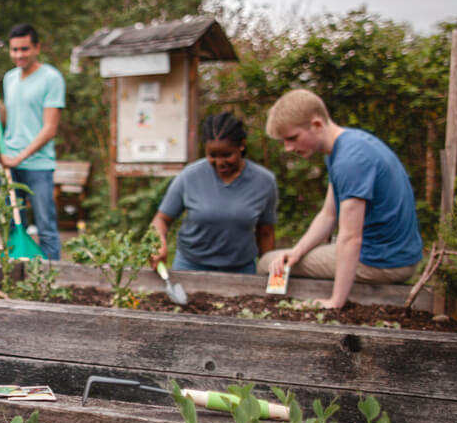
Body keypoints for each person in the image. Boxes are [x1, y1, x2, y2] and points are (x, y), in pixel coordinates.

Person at [257, 89, 422, 308]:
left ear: (316, 125)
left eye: (292, 138)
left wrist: (336, 301)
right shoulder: (346, 147)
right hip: (394, 255)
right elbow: (328, 214)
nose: (288, 148)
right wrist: (296, 252)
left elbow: (350, 237)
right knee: (284, 258)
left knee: (267, 263)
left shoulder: (349, 161)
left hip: (383, 261)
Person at [149, 112, 278, 273]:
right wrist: (158, 242)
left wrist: (272, 274)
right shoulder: (190, 176)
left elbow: (266, 233)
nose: (219, 162)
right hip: (190, 266)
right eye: (212, 155)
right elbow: (161, 219)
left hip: (241, 270)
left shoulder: (264, 181)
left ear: (242, 145)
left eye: (227, 155)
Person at [0, 23, 65, 260]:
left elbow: (50, 128)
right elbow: (7, 119)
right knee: (13, 225)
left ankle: (52, 280)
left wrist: (20, 156)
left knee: (46, 226)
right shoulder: (10, 78)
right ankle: (18, 277)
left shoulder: (51, 78)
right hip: (10, 163)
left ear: (37, 47)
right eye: (14, 50)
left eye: (24, 49)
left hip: (38, 164)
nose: (19, 55)